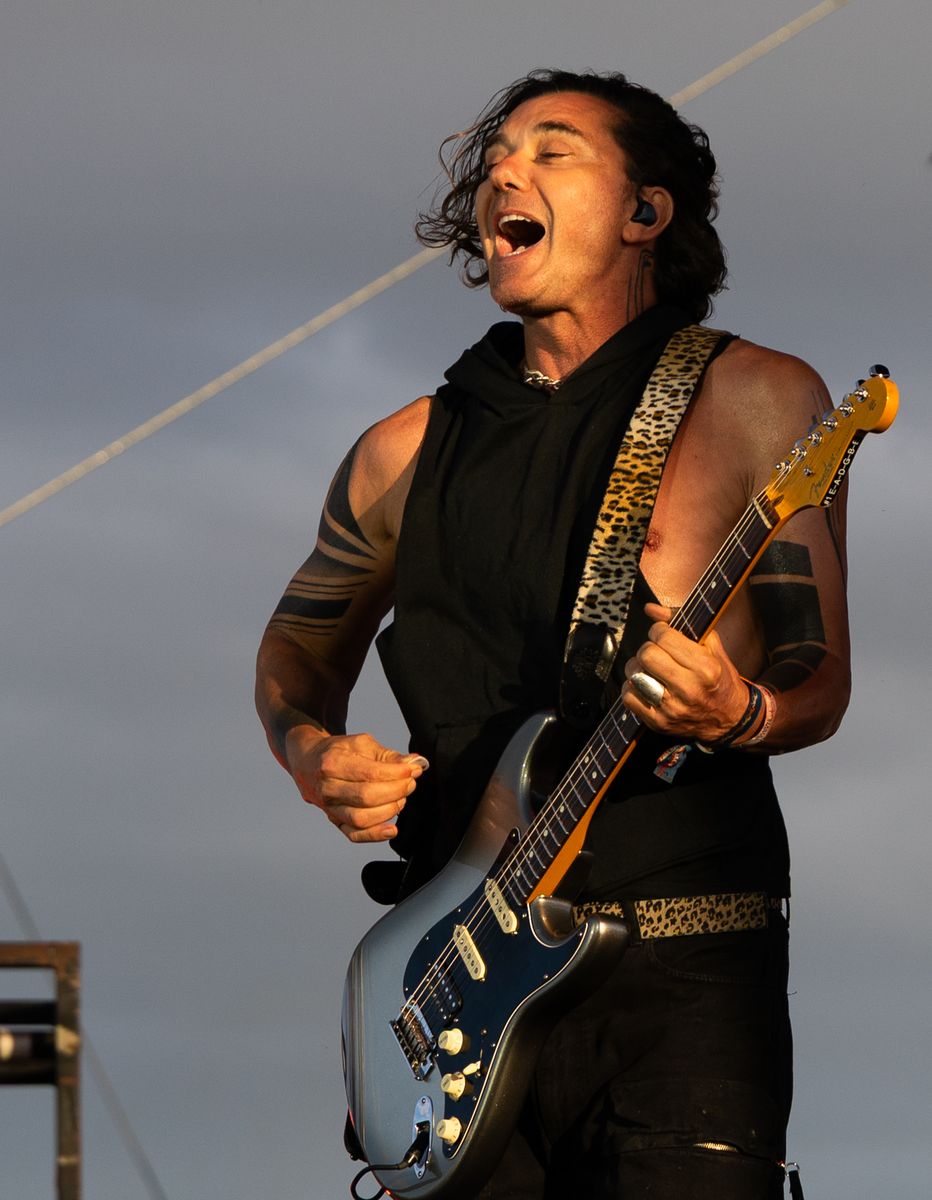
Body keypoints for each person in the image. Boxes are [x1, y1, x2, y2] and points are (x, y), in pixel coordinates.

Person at [255, 70, 850, 1199]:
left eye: (552, 149)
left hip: (682, 961)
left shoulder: (756, 402)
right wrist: (310, 754)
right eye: (492, 162)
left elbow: (816, 674)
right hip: (454, 979)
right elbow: (296, 648)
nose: (501, 175)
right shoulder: (402, 452)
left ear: (645, 212)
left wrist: (746, 711)